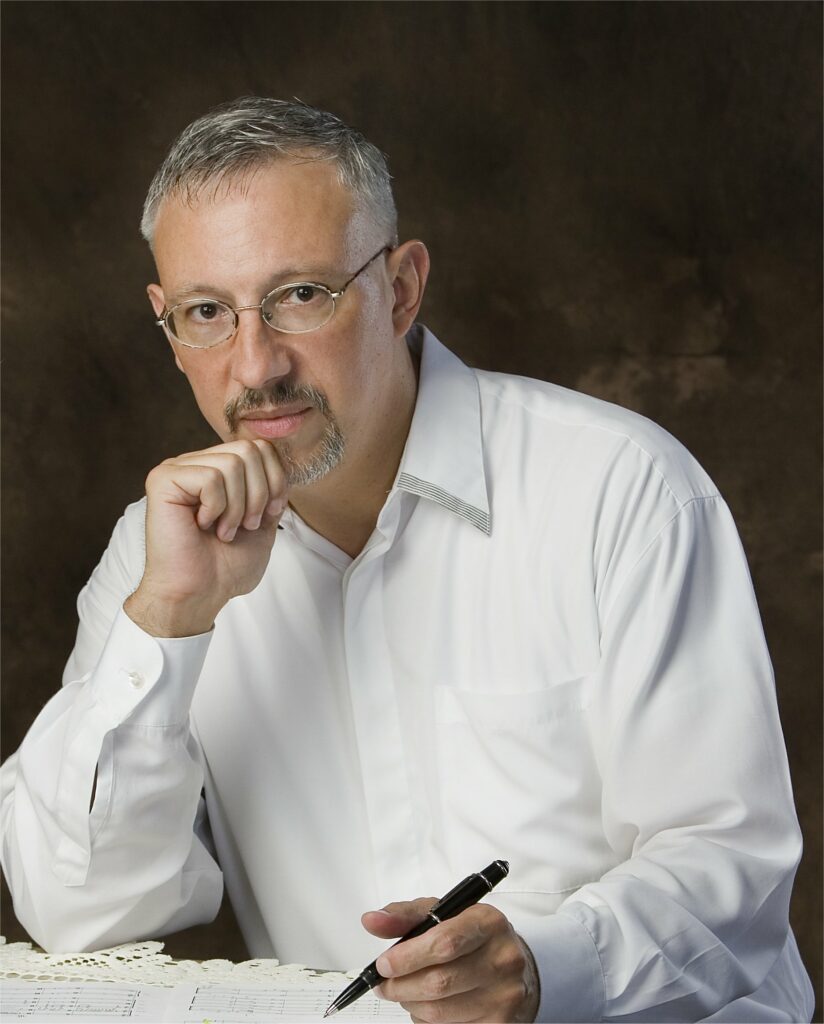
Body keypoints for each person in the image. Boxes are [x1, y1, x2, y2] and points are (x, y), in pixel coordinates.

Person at [0, 97, 814, 1023]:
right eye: (206, 312)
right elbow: (81, 910)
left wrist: (544, 969)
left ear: (403, 286)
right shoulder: (159, 555)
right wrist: (170, 622)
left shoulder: (620, 491)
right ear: (165, 320)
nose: (255, 363)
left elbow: (731, 866)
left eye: (301, 294)